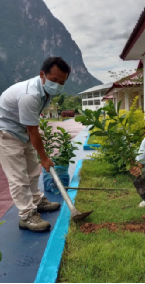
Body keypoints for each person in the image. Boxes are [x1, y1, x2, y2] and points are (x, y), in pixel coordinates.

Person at [0, 57, 71, 232]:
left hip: (22, 131)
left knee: (33, 170)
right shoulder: (29, 94)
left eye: (62, 82)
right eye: (54, 80)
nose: (57, 85)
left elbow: (30, 129)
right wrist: (45, 158)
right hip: (7, 132)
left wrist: (42, 160)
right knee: (18, 177)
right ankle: (26, 216)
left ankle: (37, 201)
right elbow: (34, 131)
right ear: (43, 75)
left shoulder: (46, 91)